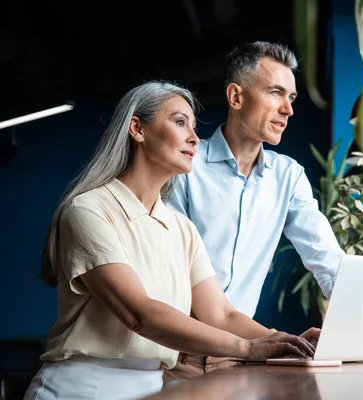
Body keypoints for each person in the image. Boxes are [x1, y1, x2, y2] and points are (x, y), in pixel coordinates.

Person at [166, 41, 363, 378]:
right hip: (179, 356)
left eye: (291, 98)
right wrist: (279, 340)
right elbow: (193, 292)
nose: (287, 109)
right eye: (275, 92)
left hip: (244, 360)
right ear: (236, 97)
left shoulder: (288, 177)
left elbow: (331, 266)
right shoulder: (185, 168)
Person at [25, 81, 317, 400]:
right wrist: (248, 348)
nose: (194, 137)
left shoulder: (181, 229)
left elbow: (222, 315)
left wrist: (288, 342)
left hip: (155, 385)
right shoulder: (88, 210)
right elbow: (140, 314)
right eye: (180, 122)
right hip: (84, 386)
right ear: (137, 129)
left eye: (194, 126)